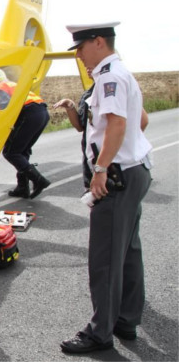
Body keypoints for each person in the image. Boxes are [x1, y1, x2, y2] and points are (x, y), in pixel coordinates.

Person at [59, 21, 153, 354]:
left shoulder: (109, 77)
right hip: (134, 170)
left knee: (105, 259)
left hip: (116, 176)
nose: (80, 56)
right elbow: (139, 121)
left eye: (81, 47)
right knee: (128, 252)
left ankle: (99, 333)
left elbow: (116, 123)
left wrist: (101, 169)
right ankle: (126, 319)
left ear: (98, 42)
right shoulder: (119, 72)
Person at [0, 67, 51, 199]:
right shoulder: (11, 85)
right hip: (41, 112)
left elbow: (6, 110)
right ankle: (22, 188)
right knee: (22, 151)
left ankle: (39, 180)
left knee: (11, 152)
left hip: (29, 112)